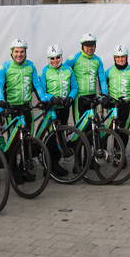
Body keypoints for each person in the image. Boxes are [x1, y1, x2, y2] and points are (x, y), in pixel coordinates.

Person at [0, 39, 47, 185]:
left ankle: (23, 168)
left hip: (26, 108)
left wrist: (43, 99)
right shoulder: (4, 67)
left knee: (26, 140)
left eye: (22, 52)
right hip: (12, 109)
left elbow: (36, 84)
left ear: (25, 52)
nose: (19, 54)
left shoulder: (30, 66)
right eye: (16, 52)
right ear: (12, 52)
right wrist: (1, 100)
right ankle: (14, 171)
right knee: (14, 141)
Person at [40, 45, 78, 177]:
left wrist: (70, 97)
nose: (55, 60)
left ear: (61, 57)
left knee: (60, 134)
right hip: (52, 108)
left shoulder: (68, 70)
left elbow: (74, 87)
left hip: (64, 107)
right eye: (52, 58)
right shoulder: (44, 72)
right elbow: (41, 92)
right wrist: (51, 98)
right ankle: (50, 165)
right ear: (48, 59)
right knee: (52, 136)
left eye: (57, 57)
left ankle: (55, 162)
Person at [64, 33, 108, 124]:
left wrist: (104, 96)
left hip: (92, 96)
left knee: (92, 125)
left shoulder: (97, 60)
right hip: (79, 97)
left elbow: (102, 80)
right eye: (87, 46)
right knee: (79, 126)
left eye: (92, 45)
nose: (90, 48)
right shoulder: (74, 58)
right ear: (82, 46)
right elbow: (63, 74)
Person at [105, 44, 130, 148]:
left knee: (124, 130)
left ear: (126, 57)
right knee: (113, 128)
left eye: (123, 57)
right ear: (114, 58)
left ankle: (121, 152)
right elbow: (103, 87)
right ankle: (113, 149)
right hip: (113, 104)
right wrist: (104, 98)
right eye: (118, 57)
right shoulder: (108, 71)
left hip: (127, 104)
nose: (120, 59)